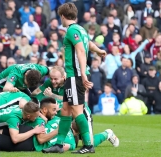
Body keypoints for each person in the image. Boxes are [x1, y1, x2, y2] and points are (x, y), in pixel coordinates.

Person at [42, 3, 106, 154]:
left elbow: (81, 51)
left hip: (76, 76)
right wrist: (99, 50)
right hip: (74, 75)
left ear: (63, 16)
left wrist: (83, 73)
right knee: (65, 110)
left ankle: (89, 145)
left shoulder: (71, 30)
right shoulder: (81, 29)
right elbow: (88, 44)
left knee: (77, 111)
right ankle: (59, 144)